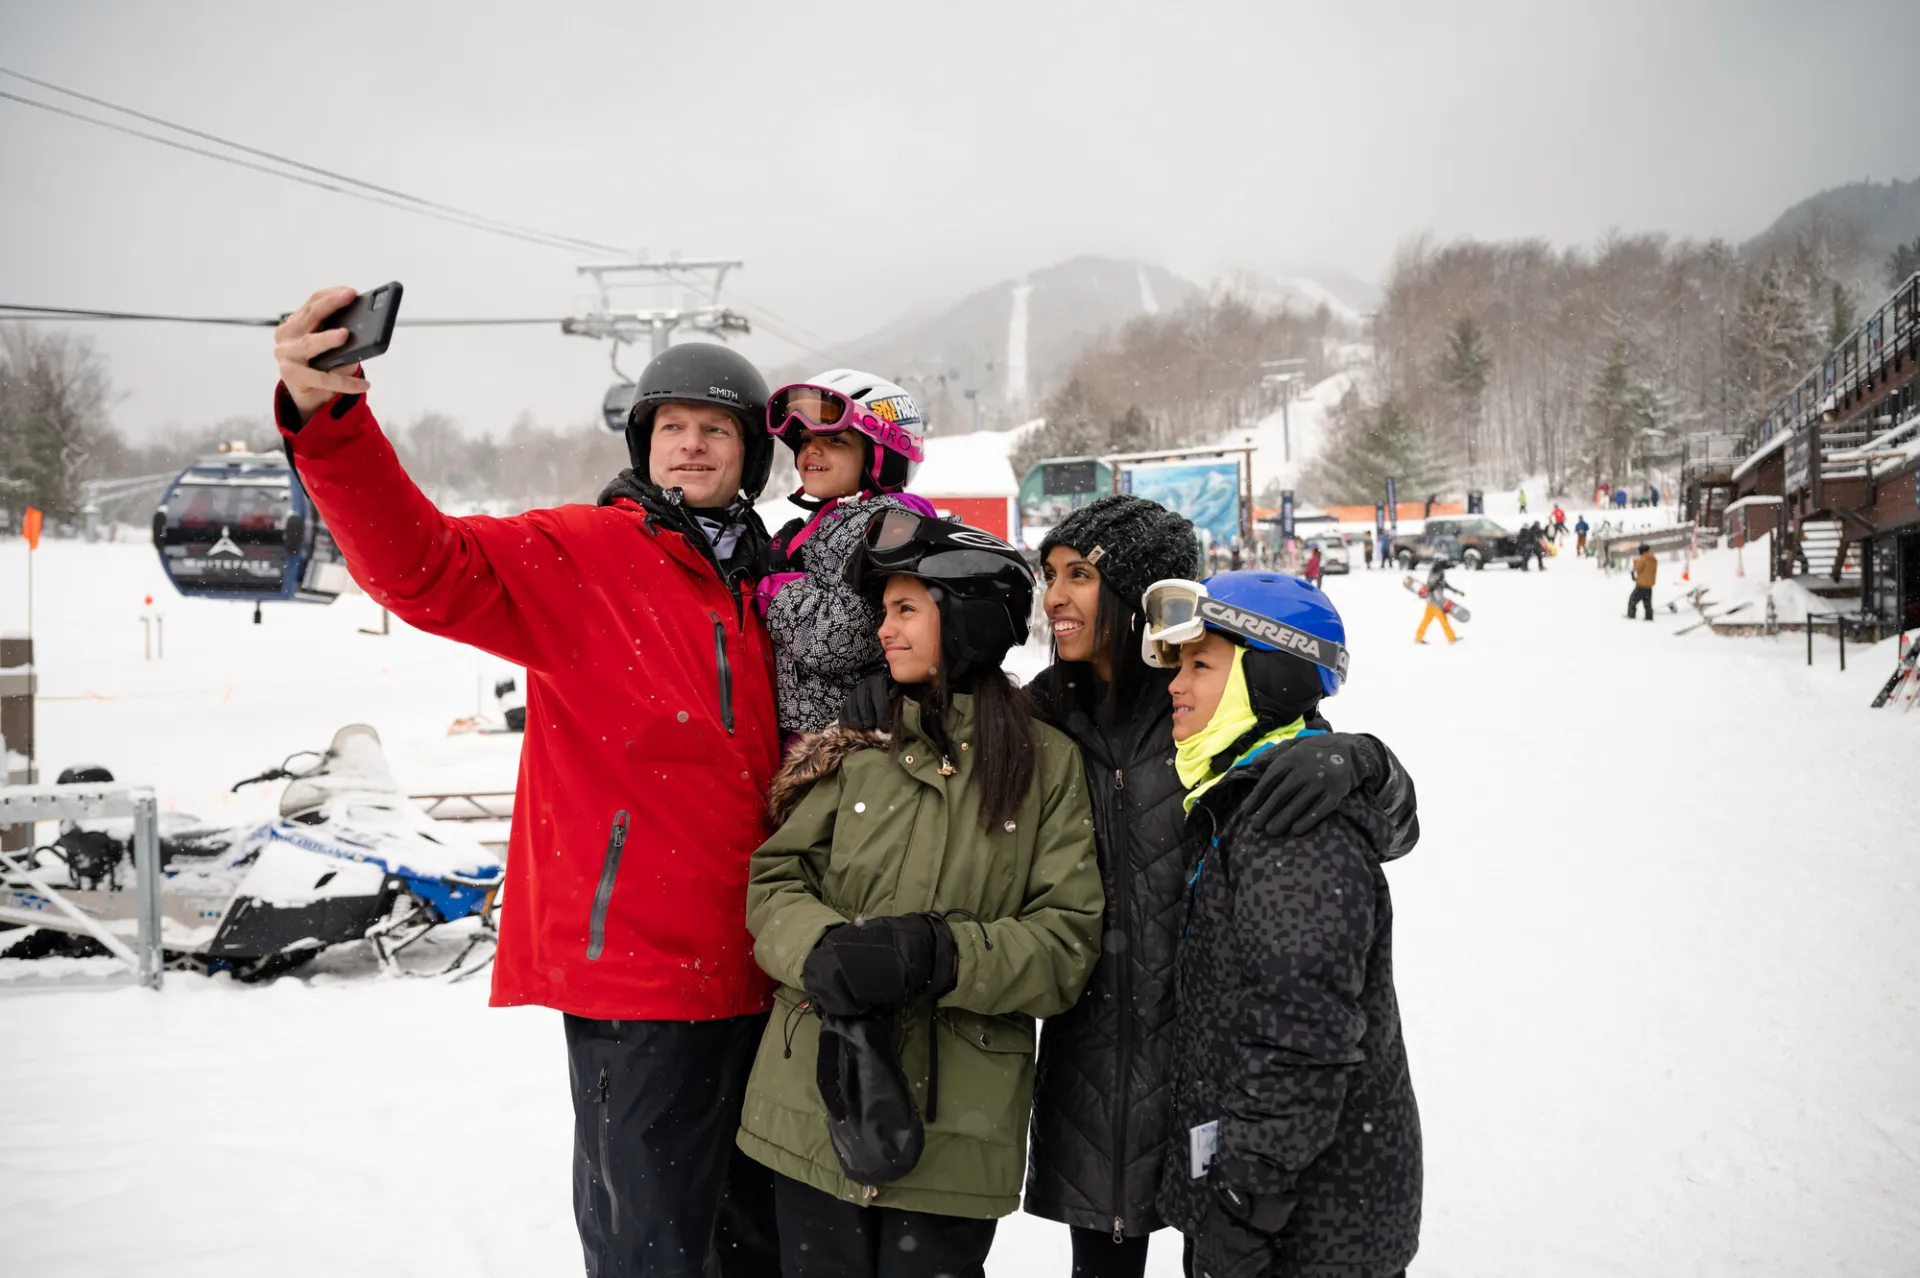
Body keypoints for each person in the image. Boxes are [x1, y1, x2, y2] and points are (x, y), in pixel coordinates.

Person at [272, 288, 780, 1278]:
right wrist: (329, 421)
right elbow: (424, 564)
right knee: (652, 1249)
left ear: (748, 453)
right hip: (642, 981)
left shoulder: (766, 586)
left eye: (715, 428)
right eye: (671, 425)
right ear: (642, 441)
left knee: (753, 1242)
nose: (691, 444)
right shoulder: (584, 555)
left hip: (763, 974)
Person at [1020, 497, 1419, 1278]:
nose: (1056, 597)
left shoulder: (1222, 739)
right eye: (1050, 576)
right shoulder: (1044, 718)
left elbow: (1372, 839)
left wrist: (1365, 762)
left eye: (1080, 575)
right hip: (1105, 1066)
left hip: (1220, 1075)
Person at [736, 510, 1104, 1278]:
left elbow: (1066, 944)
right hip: (814, 1107)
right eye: (884, 613)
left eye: (905, 610)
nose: (883, 632)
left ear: (964, 618)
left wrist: (944, 954)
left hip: (956, 1132)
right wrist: (821, 948)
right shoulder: (856, 749)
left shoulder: (1047, 765)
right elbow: (774, 881)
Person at [1142, 573, 1421, 1278]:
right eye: (1177, 666)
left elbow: (1302, 1033)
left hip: (1310, 1226)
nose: (1176, 685)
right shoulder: (1243, 800)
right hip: (1284, 1209)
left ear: (1271, 678)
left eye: (1201, 664)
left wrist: (1245, 1202)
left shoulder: (1288, 827)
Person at [758, 370, 939, 738]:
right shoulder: (832, 519)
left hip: (851, 740)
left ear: (883, 452)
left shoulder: (893, 524)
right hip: (806, 735)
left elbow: (837, 640)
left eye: (836, 440)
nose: (811, 450)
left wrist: (777, 588)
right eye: (805, 439)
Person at [1416, 553, 1462, 644]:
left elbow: (1443, 584)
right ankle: (1451, 638)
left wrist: (1455, 591)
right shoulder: (1436, 571)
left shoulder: (1438, 570)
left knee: (1426, 621)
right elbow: (1432, 585)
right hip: (1436, 601)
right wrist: (1441, 601)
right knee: (1444, 621)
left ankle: (1418, 637)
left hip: (1431, 601)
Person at [1628, 543, 1657, 620]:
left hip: (1641, 585)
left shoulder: (1643, 559)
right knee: (1647, 604)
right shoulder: (1653, 559)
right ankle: (1649, 617)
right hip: (1649, 585)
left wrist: (1635, 561)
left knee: (1632, 601)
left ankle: (1631, 616)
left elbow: (1637, 568)